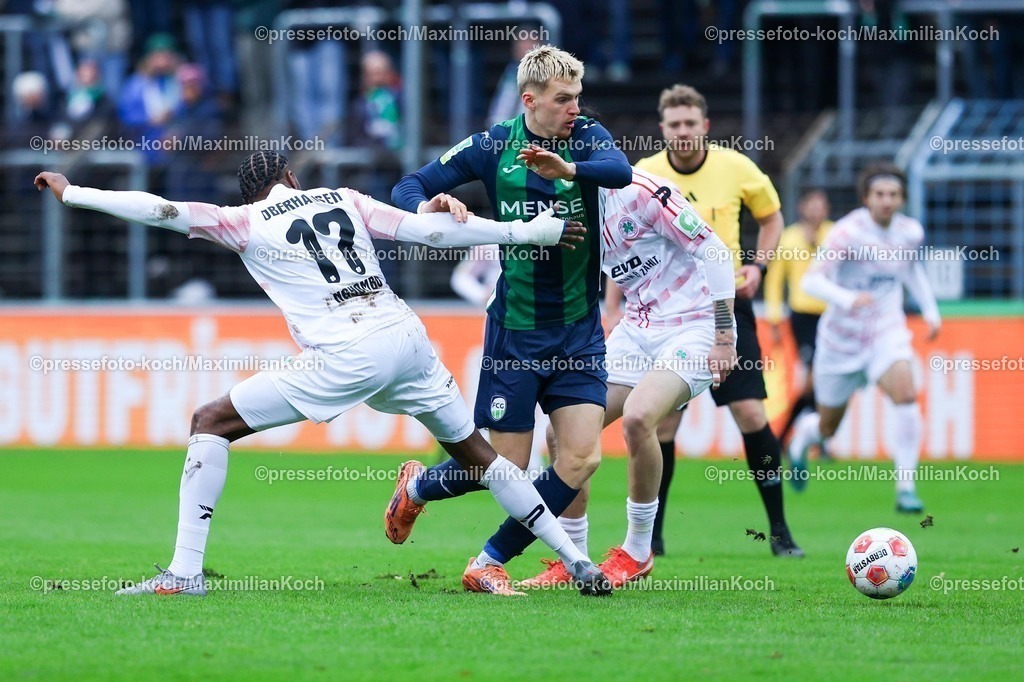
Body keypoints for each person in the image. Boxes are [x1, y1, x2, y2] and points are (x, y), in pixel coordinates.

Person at [33, 150, 614, 597]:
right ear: (291, 177)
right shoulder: (345, 198)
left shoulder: (241, 220)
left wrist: (74, 192)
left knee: (210, 422)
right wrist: (525, 232)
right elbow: (430, 231)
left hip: (349, 351)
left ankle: (184, 573)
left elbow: (160, 209)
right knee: (480, 457)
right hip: (408, 337)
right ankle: (578, 561)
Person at [389, 45, 632, 594]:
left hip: (579, 331)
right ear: (530, 100)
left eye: (578, 97)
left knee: (581, 457)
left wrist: (569, 168)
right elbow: (408, 186)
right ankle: (418, 488)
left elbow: (619, 172)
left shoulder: (586, 137)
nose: (575, 108)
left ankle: (488, 560)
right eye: (563, 99)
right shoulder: (493, 145)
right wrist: (431, 206)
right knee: (503, 466)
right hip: (516, 334)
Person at [527, 167, 739, 588]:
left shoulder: (640, 191)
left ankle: (638, 551)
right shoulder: (562, 206)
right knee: (561, 432)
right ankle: (574, 559)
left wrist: (724, 336)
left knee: (639, 417)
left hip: (695, 324)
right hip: (637, 327)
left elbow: (715, 251)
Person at [627, 84, 802, 557]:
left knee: (751, 414)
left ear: (705, 126)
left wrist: (759, 267)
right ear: (662, 129)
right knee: (662, 425)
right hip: (668, 312)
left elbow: (772, 218)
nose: (683, 131)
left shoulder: (736, 167)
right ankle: (653, 537)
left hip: (727, 306)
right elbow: (629, 241)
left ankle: (780, 532)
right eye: (674, 124)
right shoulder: (645, 174)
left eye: (690, 123)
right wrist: (614, 302)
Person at [789, 165, 940, 513]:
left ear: (902, 199)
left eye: (893, 194)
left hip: (886, 333)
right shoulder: (847, 233)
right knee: (828, 427)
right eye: (879, 194)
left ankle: (906, 488)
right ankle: (801, 441)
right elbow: (811, 281)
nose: (886, 201)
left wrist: (931, 310)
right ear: (866, 198)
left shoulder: (910, 232)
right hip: (841, 341)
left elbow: (911, 269)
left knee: (906, 394)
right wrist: (847, 298)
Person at [763, 189, 833, 450]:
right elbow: (774, 281)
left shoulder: (835, 235)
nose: (816, 211)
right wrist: (773, 319)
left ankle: (793, 439)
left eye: (820, 205)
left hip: (831, 317)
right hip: (803, 316)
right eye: (811, 205)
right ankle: (798, 439)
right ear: (802, 208)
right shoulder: (789, 238)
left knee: (820, 381)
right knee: (813, 378)